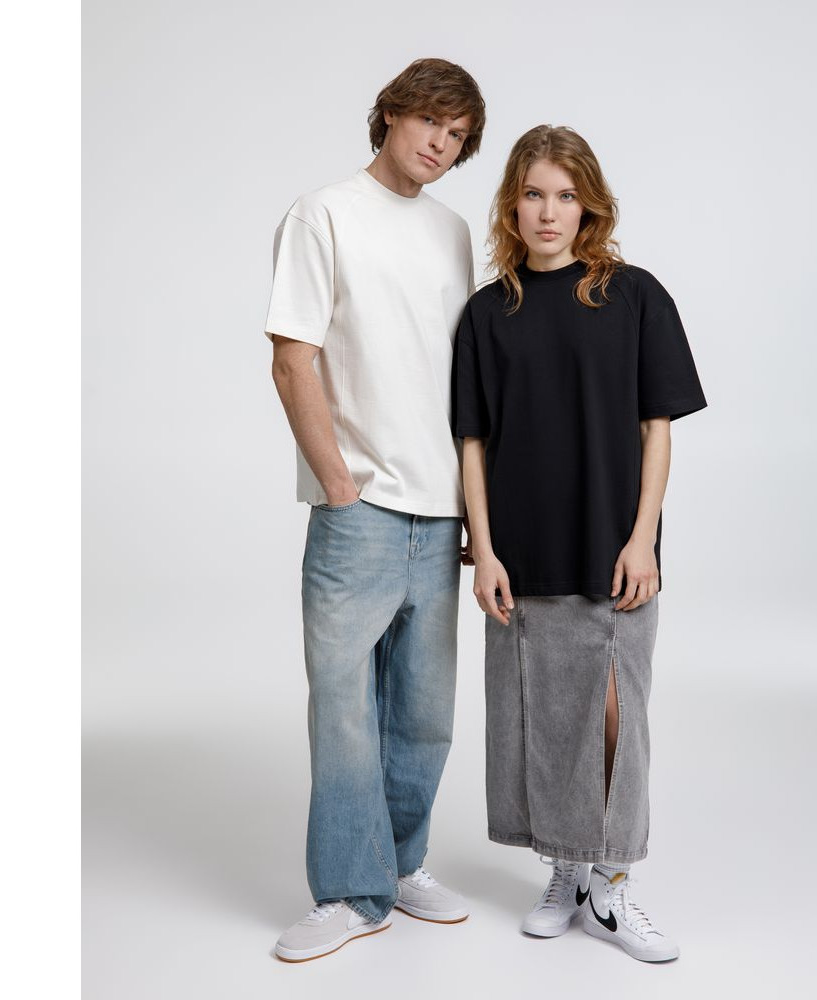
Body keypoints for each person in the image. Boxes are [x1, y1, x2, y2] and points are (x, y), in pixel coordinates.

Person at [452, 125, 706, 962]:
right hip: (521, 556)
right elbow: (473, 442)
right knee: (542, 717)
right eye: (533, 193)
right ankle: (566, 871)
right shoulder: (487, 314)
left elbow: (657, 428)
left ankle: (612, 885)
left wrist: (644, 540)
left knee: (614, 718)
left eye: (565, 195)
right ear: (511, 205)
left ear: (589, 205)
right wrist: (484, 550)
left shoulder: (633, 296)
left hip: (613, 550)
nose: (548, 211)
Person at [264, 58, 485, 963]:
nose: (441, 143)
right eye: (431, 121)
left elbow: (463, 375)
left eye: (458, 136)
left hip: (441, 511)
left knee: (425, 714)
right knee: (346, 710)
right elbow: (293, 357)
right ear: (391, 114)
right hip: (359, 509)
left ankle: (400, 864)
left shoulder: (454, 231)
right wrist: (339, 482)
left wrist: (472, 507)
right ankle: (350, 893)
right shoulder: (322, 214)